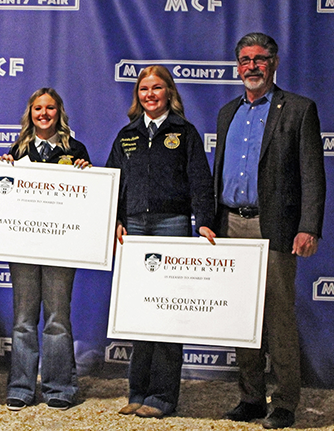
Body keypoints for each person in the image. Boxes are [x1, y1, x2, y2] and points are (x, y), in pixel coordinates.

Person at [216, 33, 325, 429]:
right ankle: (250, 397)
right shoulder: (227, 112)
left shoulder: (298, 109)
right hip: (231, 224)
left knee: (278, 316)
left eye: (260, 59)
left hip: (274, 226)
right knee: (241, 316)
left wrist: (308, 226)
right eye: (245, 59)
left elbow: (313, 175)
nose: (252, 66)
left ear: (274, 63)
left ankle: (285, 402)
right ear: (237, 65)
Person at [106, 66, 215, 418]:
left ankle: (163, 396)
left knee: (166, 312)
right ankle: (137, 391)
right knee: (139, 311)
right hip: (135, 227)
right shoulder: (127, 135)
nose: (149, 94)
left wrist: (205, 223)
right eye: (143, 89)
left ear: (169, 92)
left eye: (156, 88)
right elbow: (113, 183)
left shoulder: (185, 133)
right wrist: (116, 220)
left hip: (173, 224)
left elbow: (200, 180)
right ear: (137, 95)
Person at [0, 88, 91, 412]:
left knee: (57, 319)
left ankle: (59, 387)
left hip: (60, 248)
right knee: (23, 320)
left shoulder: (74, 149)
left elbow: (88, 196)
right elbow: (2, 194)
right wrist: (3, 171)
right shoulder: (18, 149)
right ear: (31, 113)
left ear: (59, 112)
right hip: (23, 247)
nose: (44, 113)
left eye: (50, 108)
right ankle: (22, 387)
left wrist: (86, 171)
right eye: (38, 108)